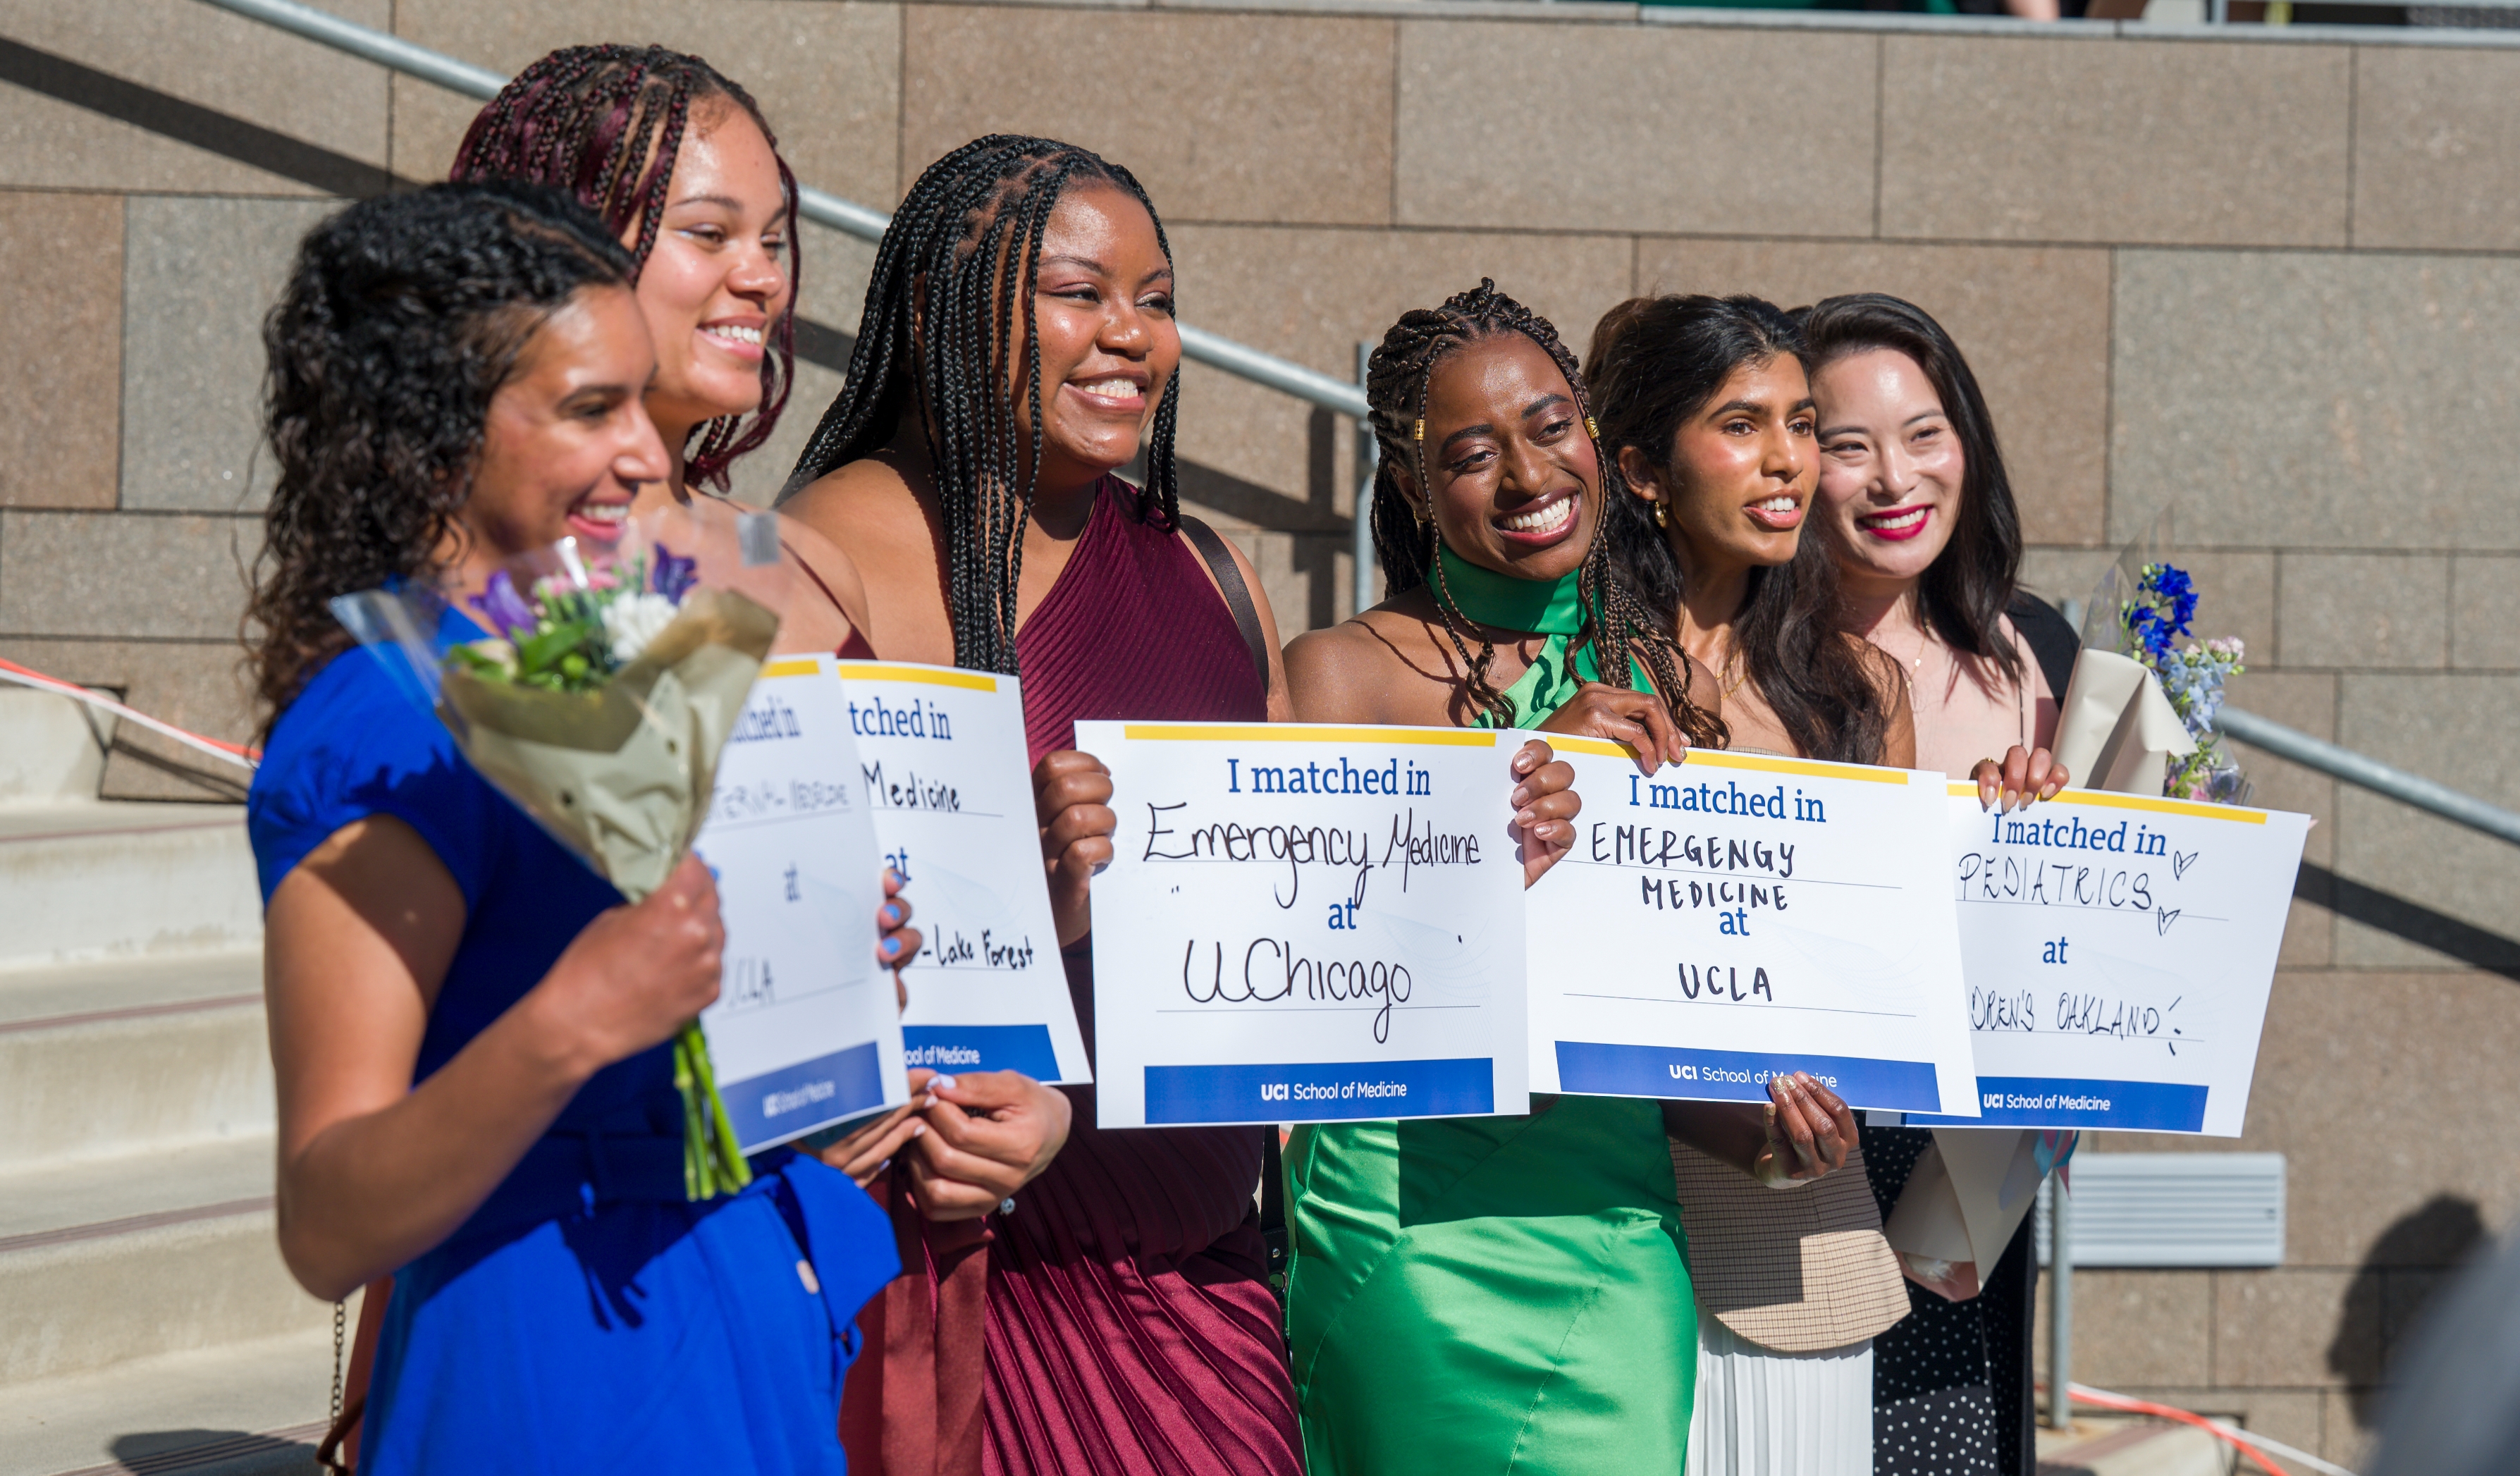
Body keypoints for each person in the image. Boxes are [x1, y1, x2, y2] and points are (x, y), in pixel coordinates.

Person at [243, 180, 904, 1474]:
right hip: (550, 1364)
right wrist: (574, 1020)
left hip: (744, 1311)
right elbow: (325, 1222)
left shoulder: (596, 665)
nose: (650, 455)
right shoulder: (383, 719)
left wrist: (812, 950)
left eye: (639, 399)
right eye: (591, 408)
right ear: (435, 432)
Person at [449, 35, 1068, 1281]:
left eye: (776, 241)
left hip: (869, 1250)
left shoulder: (795, 561)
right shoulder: (474, 577)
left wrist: (1023, 1105)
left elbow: (914, 937)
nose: (761, 281)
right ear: (563, 243)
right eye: (710, 233)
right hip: (592, 1257)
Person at [1280, 280, 1861, 1476]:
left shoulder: (1663, 685)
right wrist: (1501, 817)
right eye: (1472, 453)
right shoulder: (1340, 675)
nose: (1529, 474)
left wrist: (1767, 1138)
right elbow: (1309, 991)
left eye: (1552, 427)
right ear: (1411, 487)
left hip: (1614, 1241)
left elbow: (1651, 1019)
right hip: (1406, 1235)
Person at [778, 135, 1296, 1476]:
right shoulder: (830, 552)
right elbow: (774, 947)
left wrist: (1478, 864)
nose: (1132, 334)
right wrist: (1022, 897)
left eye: (1159, 298)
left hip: (1205, 1297)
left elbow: (1286, 939)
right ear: (957, 305)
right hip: (955, 1287)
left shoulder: (1212, 569)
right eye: (1079, 292)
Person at [1584, 292, 1920, 1475]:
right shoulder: (1572, 685)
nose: (1786, 459)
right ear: (1640, 470)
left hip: (1801, 1256)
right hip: (1588, 1247)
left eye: (1800, 422)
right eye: (1741, 424)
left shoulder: (1858, 689)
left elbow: (1888, 981)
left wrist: (2009, 821)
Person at [1800, 292, 2075, 1476]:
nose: (1892, 477)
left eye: (1924, 433)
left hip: (1974, 1178)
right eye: (1846, 445)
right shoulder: (1733, 661)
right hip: (1793, 1157)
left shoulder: (2043, 652)